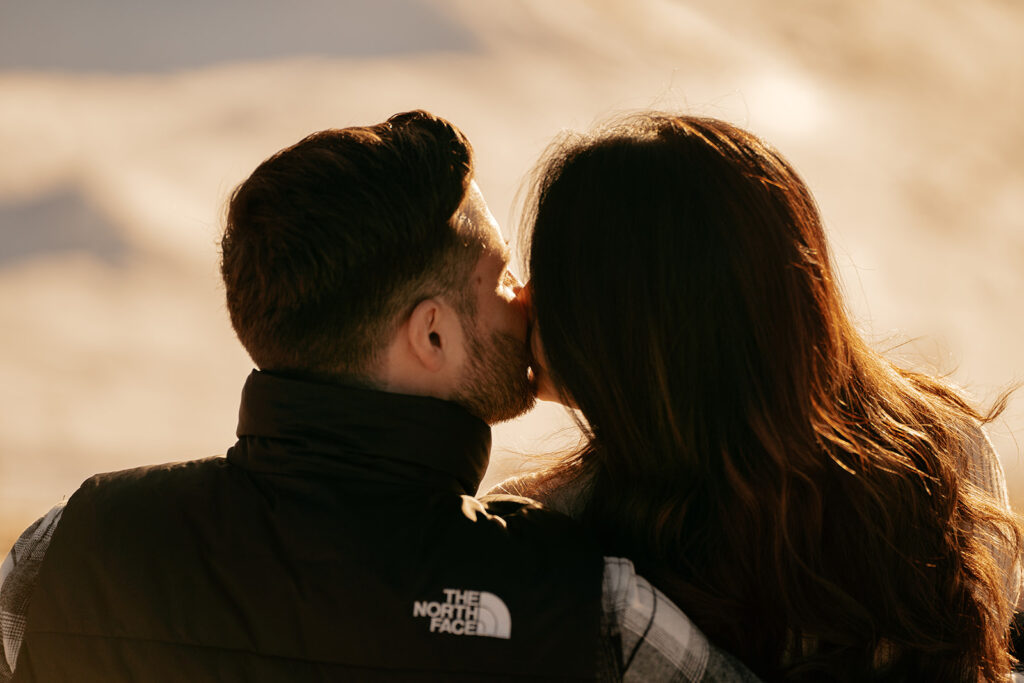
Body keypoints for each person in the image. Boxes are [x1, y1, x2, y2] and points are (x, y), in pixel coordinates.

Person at [0, 110, 760, 681]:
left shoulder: (71, 547)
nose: (525, 298)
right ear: (431, 336)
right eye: (498, 277)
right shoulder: (581, 609)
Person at [494, 113, 1024, 681]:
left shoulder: (549, 530)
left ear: (638, 331)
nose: (522, 297)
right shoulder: (945, 456)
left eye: (552, 277)